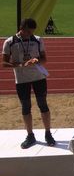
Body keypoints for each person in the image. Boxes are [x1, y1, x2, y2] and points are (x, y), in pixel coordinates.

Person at [2, 18, 55, 149]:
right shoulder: (9, 42)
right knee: (26, 107)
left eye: (32, 32)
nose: (30, 34)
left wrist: (36, 60)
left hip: (38, 77)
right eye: (28, 32)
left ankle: (48, 133)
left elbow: (44, 59)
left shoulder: (37, 40)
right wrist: (20, 64)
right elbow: (4, 63)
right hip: (21, 79)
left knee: (43, 104)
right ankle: (30, 135)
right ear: (22, 28)